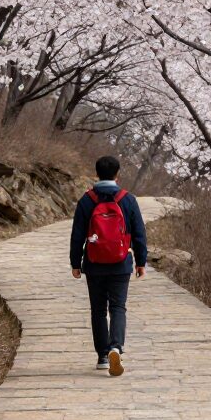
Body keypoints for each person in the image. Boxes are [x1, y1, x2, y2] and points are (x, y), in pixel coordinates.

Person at [70, 154, 147, 375]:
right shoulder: (128, 199)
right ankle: (116, 347)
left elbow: (77, 235)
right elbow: (139, 233)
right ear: (117, 174)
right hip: (121, 262)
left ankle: (103, 356)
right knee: (118, 307)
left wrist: (75, 263)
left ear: (96, 174)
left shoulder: (87, 200)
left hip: (94, 263)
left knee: (98, 310)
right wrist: (141, 261)